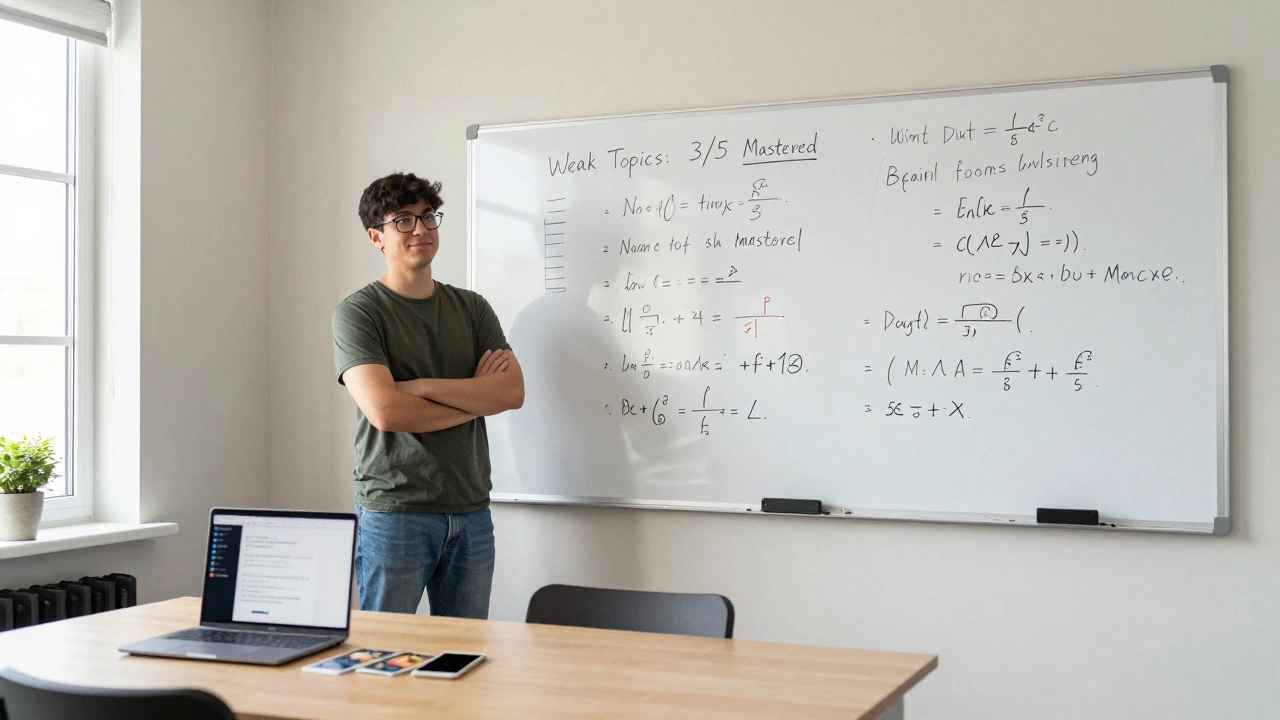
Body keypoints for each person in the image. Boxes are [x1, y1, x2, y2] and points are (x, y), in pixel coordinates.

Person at [331, 172, 523, 618]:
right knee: (380, 655)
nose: (420, 230)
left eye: (428, 217)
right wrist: (475, 397)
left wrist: (422, 387)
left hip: (471, 511)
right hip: (395, 512)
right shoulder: (358, 313)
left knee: (463, 659)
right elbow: (386, 411)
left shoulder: (472, 308)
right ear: (376, 236)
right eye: (403, 220)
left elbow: (511, 393)